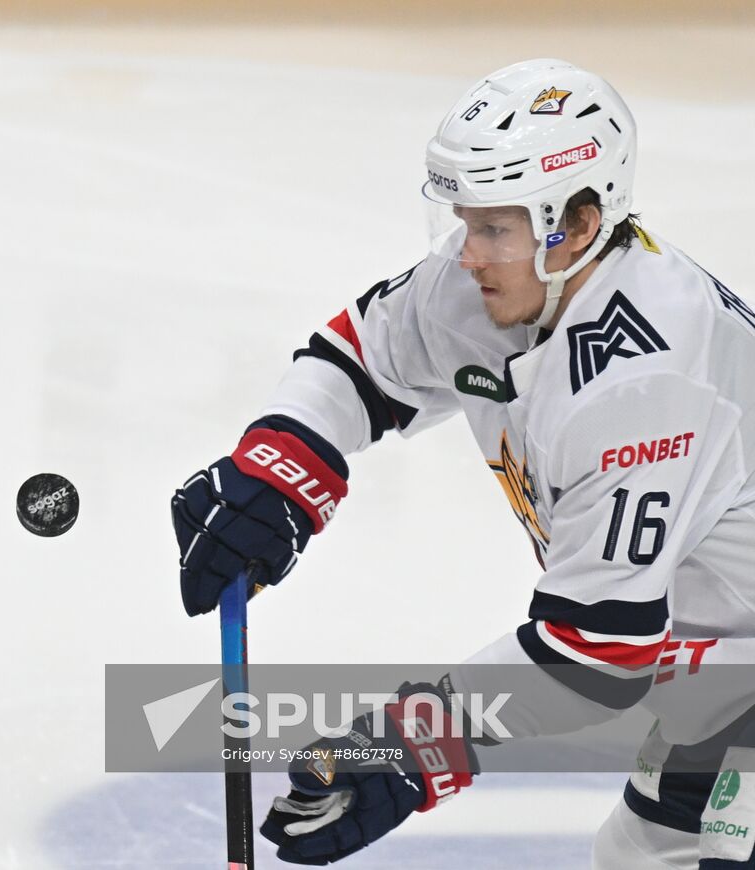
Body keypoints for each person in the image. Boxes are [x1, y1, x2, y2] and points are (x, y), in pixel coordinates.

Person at [172, 58, 755, 869]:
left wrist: (410, 749)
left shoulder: (648, 385)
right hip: (726, 679)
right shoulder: (506, 281)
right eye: (468, 220)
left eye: (496, 228)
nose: (468, 253)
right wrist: (279, 471)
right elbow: (358, 359)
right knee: (642, 856)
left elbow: (595, 652)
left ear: (580, 223)